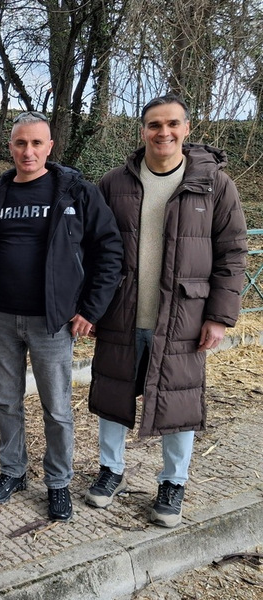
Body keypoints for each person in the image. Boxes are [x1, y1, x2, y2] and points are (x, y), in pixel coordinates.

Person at [86, 95, 248, 527]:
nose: (164, 132)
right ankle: (111, 470)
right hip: (122, 313)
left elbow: (233, 254)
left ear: (187, 128)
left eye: (173, 124)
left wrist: (219, 316)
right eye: (155, 125)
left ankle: (173, 482)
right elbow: (91, 249)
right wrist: (90, 306)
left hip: (183, 318)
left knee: (179, 401)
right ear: (142, 131)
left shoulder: (214, 184)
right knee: (112, 394)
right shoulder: (114, 183)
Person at [0, 111, 123, 522]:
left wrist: (90, 309)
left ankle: (58, 482)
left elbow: (110, 251)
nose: (28, 151)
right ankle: (13, 471)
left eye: (36, 143)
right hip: (1, 317)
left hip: (52, 321)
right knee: (6, 401)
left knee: (57, 408)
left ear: (50, 147)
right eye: (20, 143)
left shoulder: (75, 192)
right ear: (10, 147)